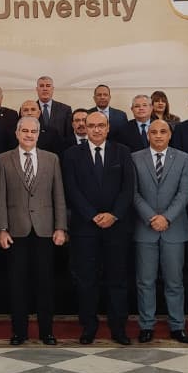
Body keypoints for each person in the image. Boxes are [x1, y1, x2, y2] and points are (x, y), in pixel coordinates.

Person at [61, 111, 134, 344]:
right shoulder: (72, 154)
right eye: (91, 125)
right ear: (84, 127)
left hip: (116, 227)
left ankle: (118, 328)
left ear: (108, 127)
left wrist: (114, 215)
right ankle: (88, 327)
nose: (96, 129)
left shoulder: (122, 152)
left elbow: (128, 188)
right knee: (86, 280)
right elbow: (71, 189)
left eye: (101, 125)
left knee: (117, 279)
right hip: (85, 228)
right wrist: (92, 215)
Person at [0, 117, 67, 345]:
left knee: (45, 283)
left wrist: (61, 227)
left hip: (45, 231)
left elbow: (59, 196)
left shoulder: (51, 159)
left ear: (38, 134)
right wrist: (2, 229)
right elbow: (0, 197)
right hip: (16, 232)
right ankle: (19, 332)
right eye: (24, 130)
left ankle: (47, 332)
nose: (28, 135)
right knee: (18, 285)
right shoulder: (3, 159)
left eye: (33, 131)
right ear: (17, 133)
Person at [132, 120, 188, 344]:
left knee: (174, 282)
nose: (158, 135)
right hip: (145, 228)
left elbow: (185, 192)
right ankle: (146, 325)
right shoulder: (135, 158)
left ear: (170, 135)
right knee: (145, 281)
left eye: (163, 131)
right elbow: (133, 193)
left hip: (174, 228)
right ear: (147, 135)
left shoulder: (183, 158)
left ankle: (177, 326)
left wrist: (166, 218)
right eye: (154, 132)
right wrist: (152, 217)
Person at [34, 75, 74, 143]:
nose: (45, 89)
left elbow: (68, 135)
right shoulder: (28, 109)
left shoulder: (65, 110)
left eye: (48, 86)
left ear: (52, 89)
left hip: (59, 148)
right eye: (41, 86)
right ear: (37, 89)